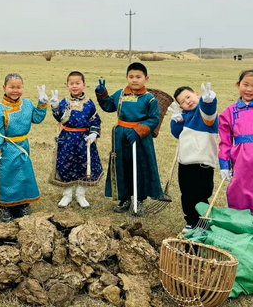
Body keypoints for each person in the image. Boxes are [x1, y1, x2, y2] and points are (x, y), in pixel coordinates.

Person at [95, 62, 163, 216]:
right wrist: (102, 93)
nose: (134, 80)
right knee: (122, 164)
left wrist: (138, 130)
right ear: (126, 77)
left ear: (146, 79)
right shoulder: (120, 94)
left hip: (140, 138)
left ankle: (139, 199)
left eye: (138, 77)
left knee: (139, 166)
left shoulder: (149, 99)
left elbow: (153, 119)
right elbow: (108, 106)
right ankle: (124, 198)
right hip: (120, 137)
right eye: (131, 76)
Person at [218, 37, 253, 225]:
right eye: (246, 84)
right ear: (238, 85)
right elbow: (224, 142)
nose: (249, 89)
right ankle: (242, 227)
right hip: (241, 161)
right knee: (240, 193)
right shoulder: (229, 112)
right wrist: (224, 165)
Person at [0, 73, 47, 222]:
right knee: (6, 176)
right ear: (4, 87)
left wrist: (42, 103)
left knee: (24, 175)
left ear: (23, 88)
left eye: (19, 87)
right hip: (6, 148)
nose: (15, 90)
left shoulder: (27, 104)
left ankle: (23, 204)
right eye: (11, 87)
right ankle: (5, 207)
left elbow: (36, 118)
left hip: (23, 146)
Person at [168, 83, 218, 234]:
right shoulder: (184, 116)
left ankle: (202, 222)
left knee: (201, 194)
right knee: (187, 194)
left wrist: (208, 101)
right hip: (185, 162)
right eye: (182, 101)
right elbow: (177, 133)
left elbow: (209, 112)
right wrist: (176, 121)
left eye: (188, 97)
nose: (187, 101)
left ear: (197, 94)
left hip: (202, 162)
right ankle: (191, 221)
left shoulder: (205, 115)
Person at [49, 71, 102, 208]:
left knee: (83, 166)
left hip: (84, 140)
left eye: (77, 83)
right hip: (66, 139)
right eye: (71, 83)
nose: (74, 86)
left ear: (83, 85)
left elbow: (95, 120)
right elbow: (59, 118)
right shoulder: (64, 102)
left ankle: (80, 195)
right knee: (65, 165)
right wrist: (55, 106)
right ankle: (66, 195)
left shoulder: (89, 103)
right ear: (67, 85)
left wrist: (94, 133)